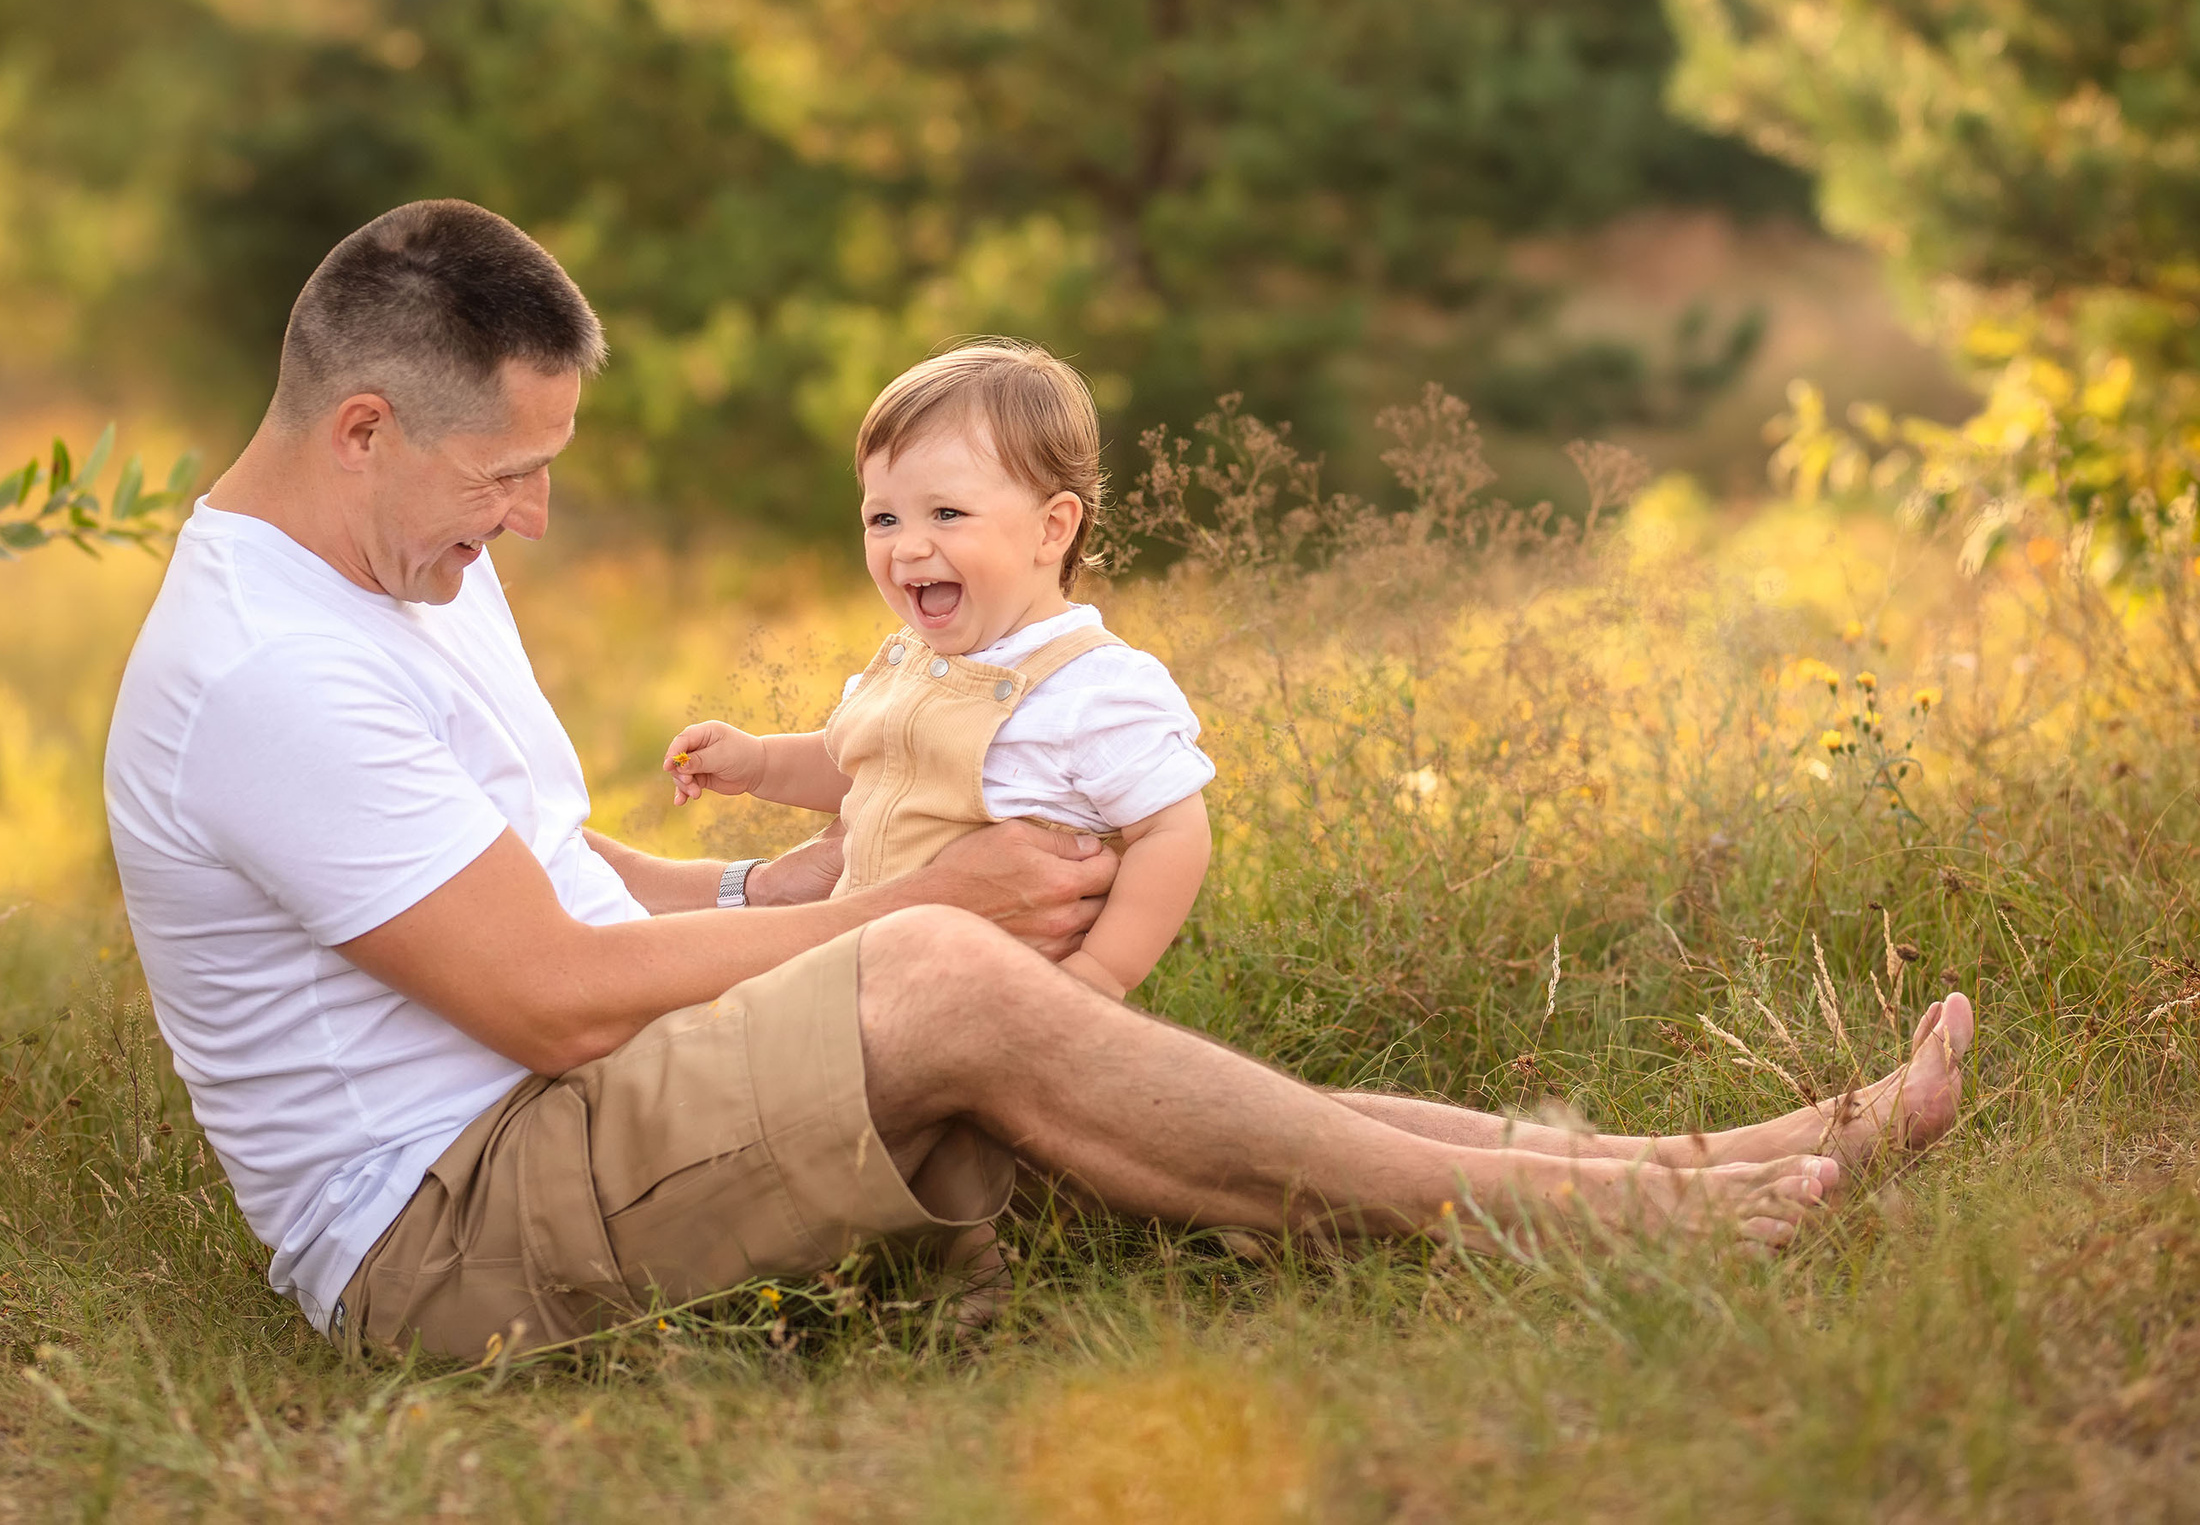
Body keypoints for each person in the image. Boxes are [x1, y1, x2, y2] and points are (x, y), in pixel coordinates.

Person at [105, 199, 1977, 1363]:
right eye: (506, 477)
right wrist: (911, 905)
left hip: (582, 1100)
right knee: (947, 978)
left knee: (1065, 1056)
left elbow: (554, 871)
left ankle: (1725, 1162)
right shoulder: (273, 669)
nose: (530, 517)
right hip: (448, 1225)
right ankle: (1627, 1217)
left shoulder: (404, 568)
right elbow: (541, 988)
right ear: (362, 430)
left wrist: (777, 893)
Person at [664, 340, 1210, 999]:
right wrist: (759, 763)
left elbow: (1173, 833)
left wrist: (1098, 975)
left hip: (1003, 1000)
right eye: (883, 518)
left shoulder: (1094, 688)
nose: (909, 545)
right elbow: (863, 766)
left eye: (947, 513)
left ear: (1052, 529)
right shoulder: (909, 659)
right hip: (861, 975)